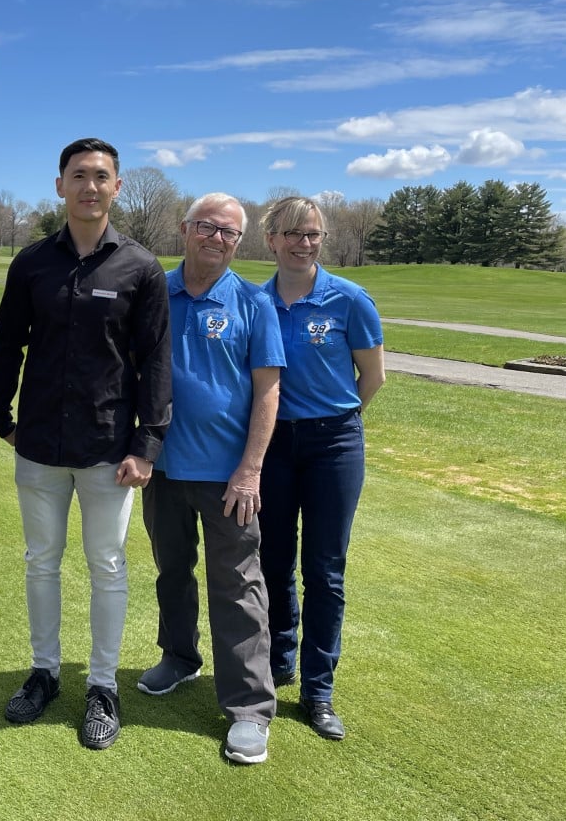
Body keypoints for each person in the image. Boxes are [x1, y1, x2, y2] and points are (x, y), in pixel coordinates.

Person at [0, 137, 172, 750]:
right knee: (41, 562)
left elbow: (155, 361)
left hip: (108, 450)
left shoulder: (140, 267)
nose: (89, 186)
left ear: (116, 187)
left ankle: (101, 687)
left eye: (101, 177)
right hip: (38, 443)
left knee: (107, 566)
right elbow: (7, 343)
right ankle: (44, 673)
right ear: (60, 184)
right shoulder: (32, 262)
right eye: (78, 176)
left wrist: (147, 444)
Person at [137, 192, 284, 765]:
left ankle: (249, 707)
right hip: (165, 467)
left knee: (238, 586)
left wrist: (250, 470)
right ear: (184, 229)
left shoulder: (253, 303)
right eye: (207, 227)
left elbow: (268, 390)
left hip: (229, 478)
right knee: (172, 570)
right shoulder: (154, 295)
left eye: (228, 233)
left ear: (238, 242)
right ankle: (179, 657)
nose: (216, 239)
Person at [257, 196, 385, 741]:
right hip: (272, 446)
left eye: (312, 234)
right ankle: (279, 660)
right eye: (292, 233)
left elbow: (372, 379)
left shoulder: (350, 300)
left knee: (325, 569)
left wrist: (330, 420)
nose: (303, 243)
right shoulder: (255, 300)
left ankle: (319, 690)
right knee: (273, 559)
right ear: (271, 239)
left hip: (334, 444)